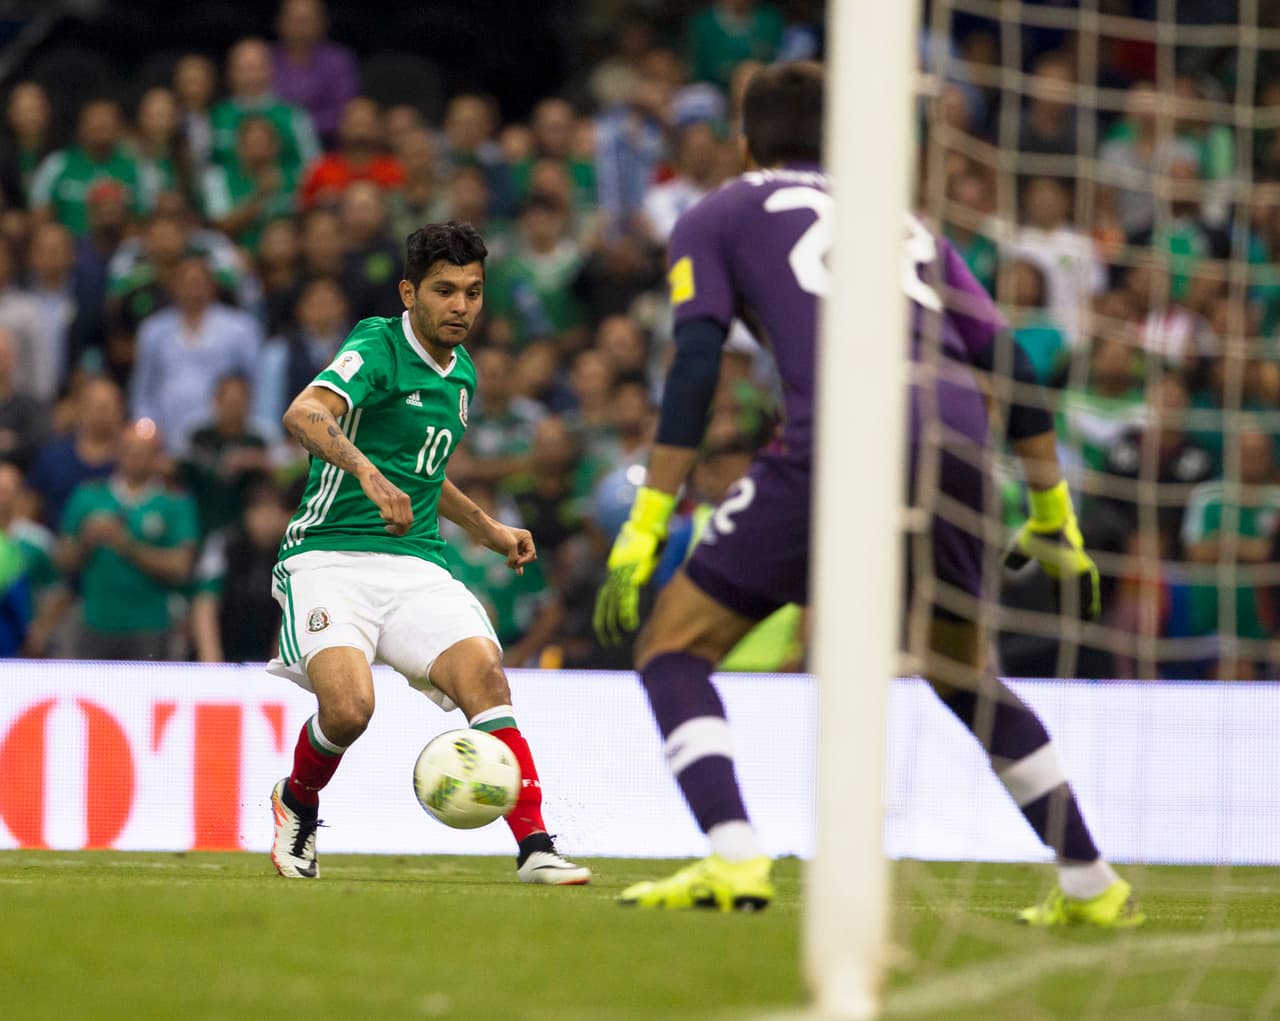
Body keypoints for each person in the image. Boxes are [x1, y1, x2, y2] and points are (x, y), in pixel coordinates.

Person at [594, 62, 1140, 927]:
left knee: (674, 646)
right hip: (957, 445)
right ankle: (1091, 879)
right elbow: (1012, 363)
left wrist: (649, 519)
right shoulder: (906, 223)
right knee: (963, 673)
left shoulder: (721, 210)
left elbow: (697, 362)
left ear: (744, 142)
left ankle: (734, 853)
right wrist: (1049, 511)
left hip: (840, 435)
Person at [266, 220, 590, 886]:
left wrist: (486, 528)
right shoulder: (376, 343)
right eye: (445, 291)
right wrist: (367, 473)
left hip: (415, 563)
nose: (461, 306)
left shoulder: (462, 374)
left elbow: (426, 473)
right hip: (327, 557)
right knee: (350, 710)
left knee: (487, 678)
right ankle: (297, 800)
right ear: (410, 291)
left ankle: (535, 845)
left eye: (472, 291)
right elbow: (304, 414)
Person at [58, 419, 199, 661]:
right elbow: (62, 561)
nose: (136, 458)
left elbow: (181, 566)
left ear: (158, 457)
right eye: (129, 450)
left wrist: (126, 545)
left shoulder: (175, 503)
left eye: (144, 452)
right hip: (96, 621)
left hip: (150, 625)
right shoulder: (88, 496)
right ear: (117, 453)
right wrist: (86, 540)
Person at [131, 255, 262, 455]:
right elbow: (144, 390)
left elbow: (255, 381)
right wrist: (148, 429)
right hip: (167, 429)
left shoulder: (240, 328)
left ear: (212, 286)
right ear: (174, 287)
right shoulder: (153, 330)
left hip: (221, 433)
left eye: (198, 282)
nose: (192, 289)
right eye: (186, 282)